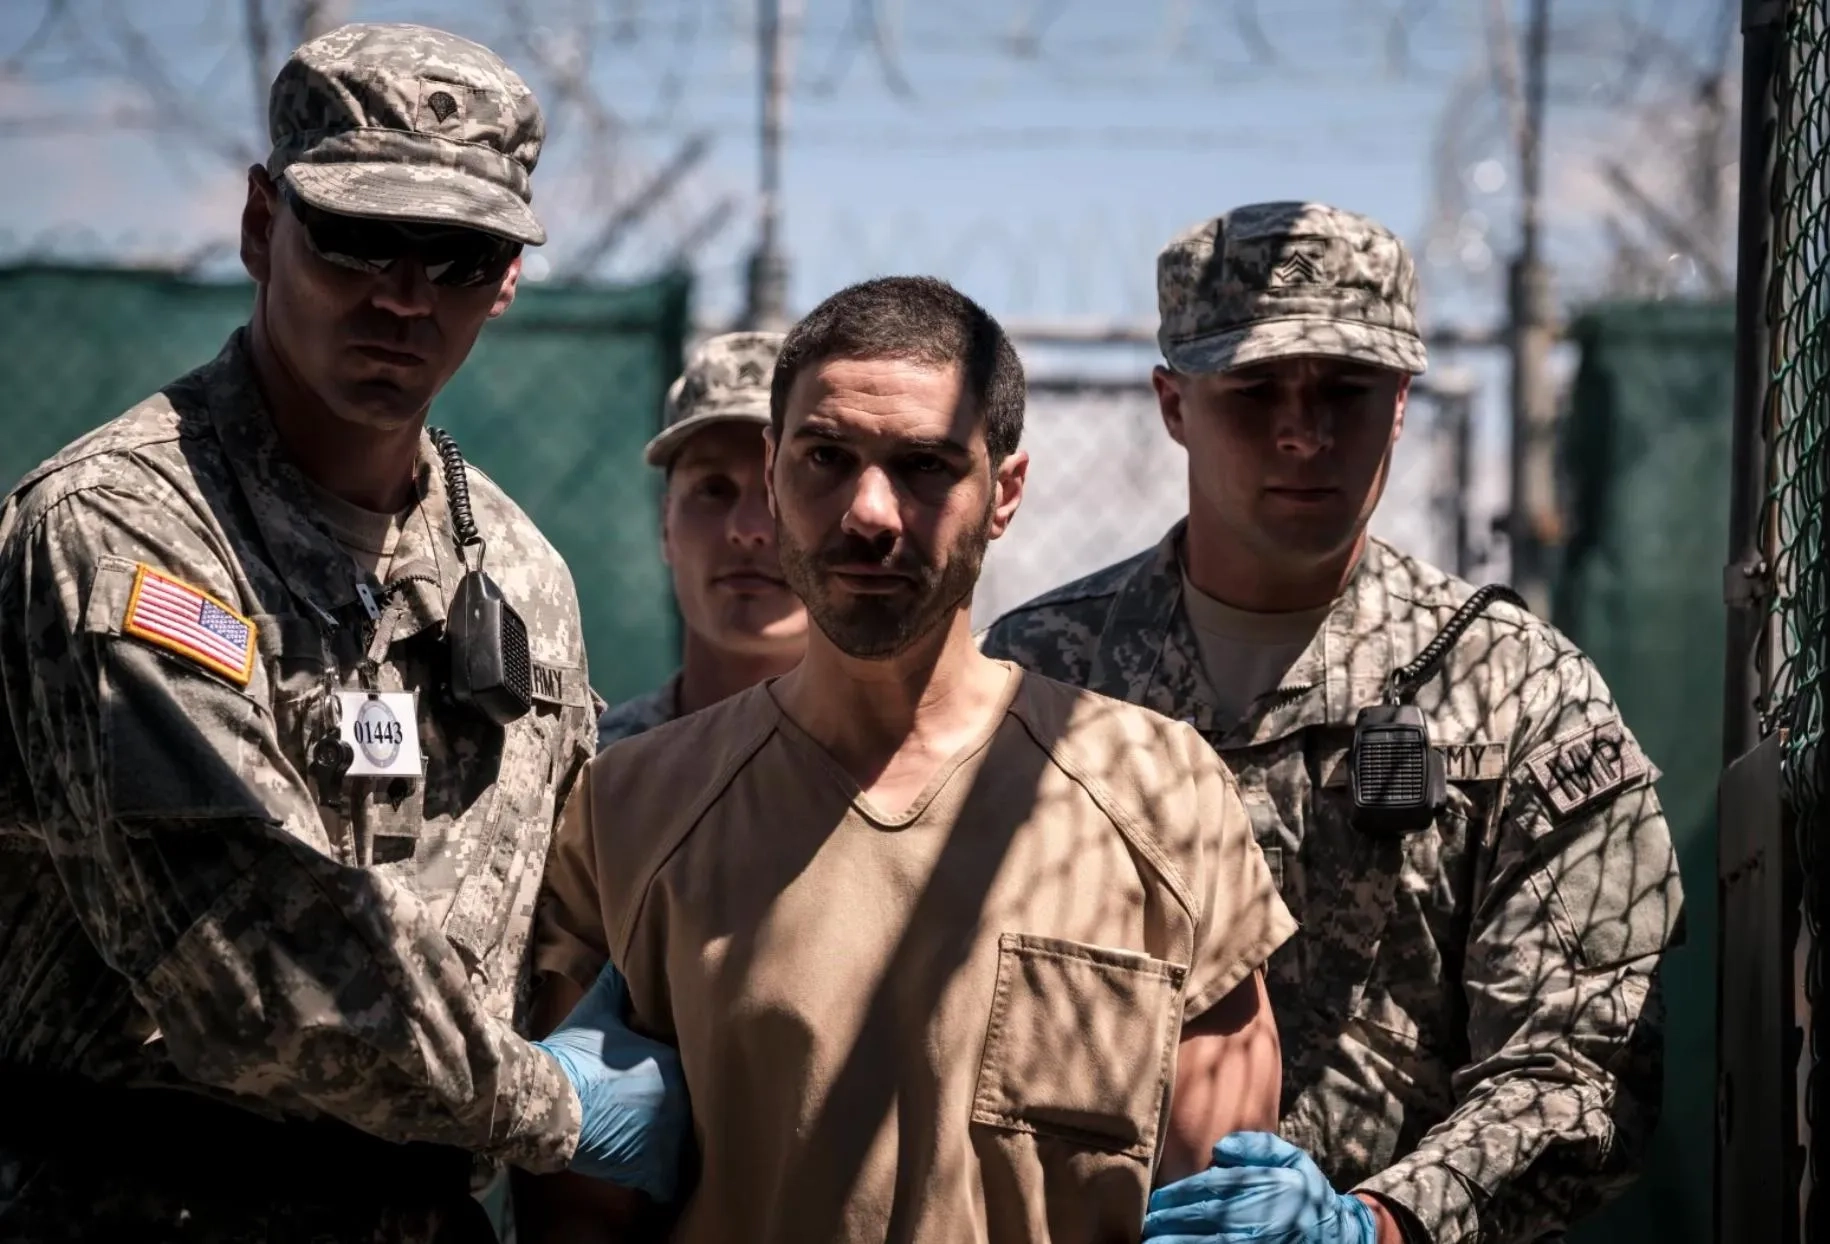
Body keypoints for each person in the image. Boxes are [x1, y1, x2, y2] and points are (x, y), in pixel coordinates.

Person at [0, 23, 684, 1243]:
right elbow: (250, 962)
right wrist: (556, 1102)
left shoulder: (518, 573)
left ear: (510, 278)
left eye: (458, 255)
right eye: (359, 237)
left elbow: (566, 924)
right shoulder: (121, 528)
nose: (402, 298)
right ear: (264, 225)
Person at [533, 276, 1297, 1244]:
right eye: (826, 456)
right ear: (775, 471)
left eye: (927, 466)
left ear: (1005, 491)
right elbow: (578, 1216)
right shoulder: (630, 811)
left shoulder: (1161, 795)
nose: (871, 511)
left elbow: (1218, 1195)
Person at [979, 202, 1685, 1244]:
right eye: (1255, 392)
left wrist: (1379, 1223)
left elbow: (1582, 1062)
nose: (1303, 432)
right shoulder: (1045, 677)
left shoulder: (1521, 693)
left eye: (1345, 392)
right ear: (1174, 404)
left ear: (1401, 403)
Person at [595, 331, 808, 749]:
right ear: (665, 525)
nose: (748, 530)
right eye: (713, 489)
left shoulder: (900, 772)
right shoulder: (595, 776)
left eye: (783, 490)